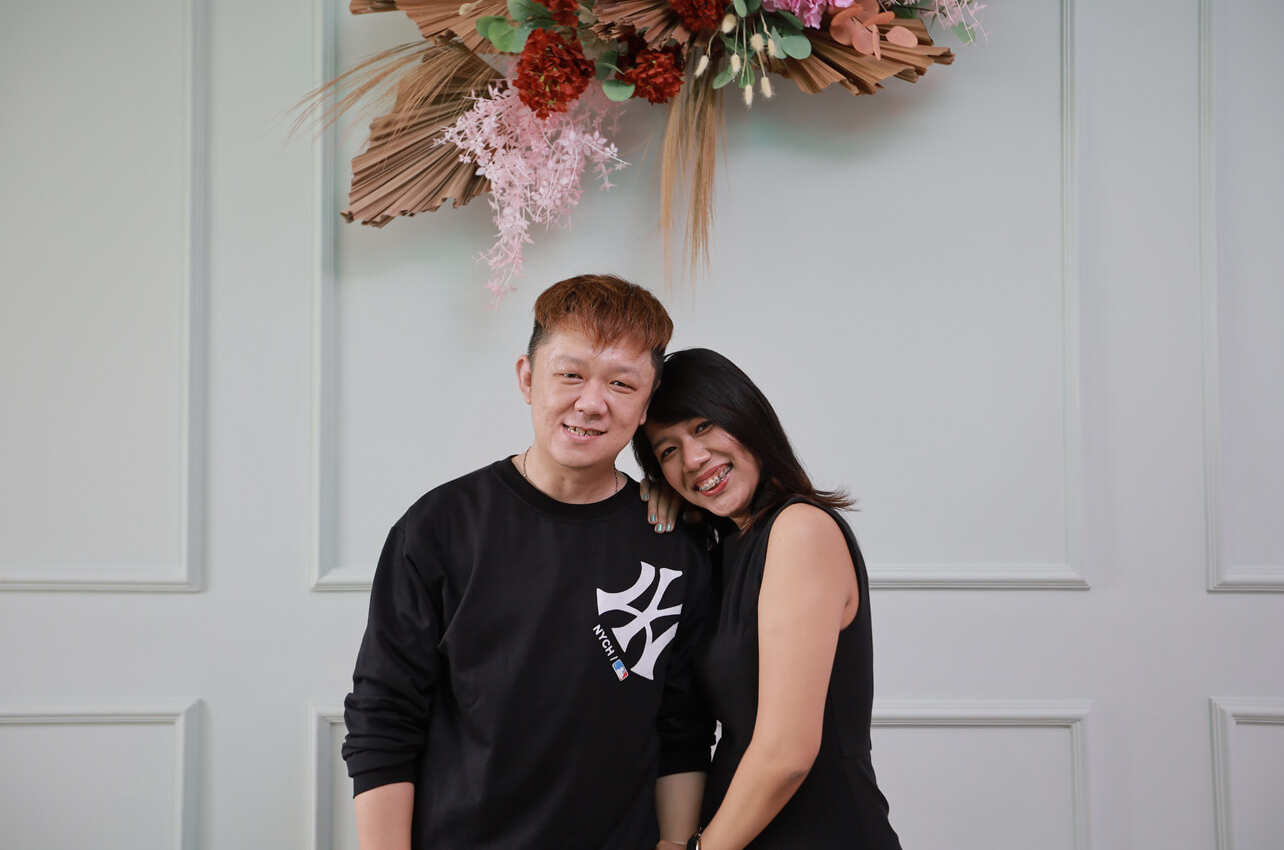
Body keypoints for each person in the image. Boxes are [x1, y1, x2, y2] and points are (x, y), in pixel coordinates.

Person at [342, 275, 714, 850]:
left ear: (647, 403)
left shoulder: (676, 543)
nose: (591, 403)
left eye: (621, 383)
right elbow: (384, 718)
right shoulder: (440, 526)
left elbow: (683, 726)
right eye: (570, 374)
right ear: (526, 377)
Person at [633, 348, 903, 850]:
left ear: (745, 413)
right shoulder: (726, 549)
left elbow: (786, 754)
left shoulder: (800, 530)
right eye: (667, 451)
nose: (692, 459)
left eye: (703, 426)